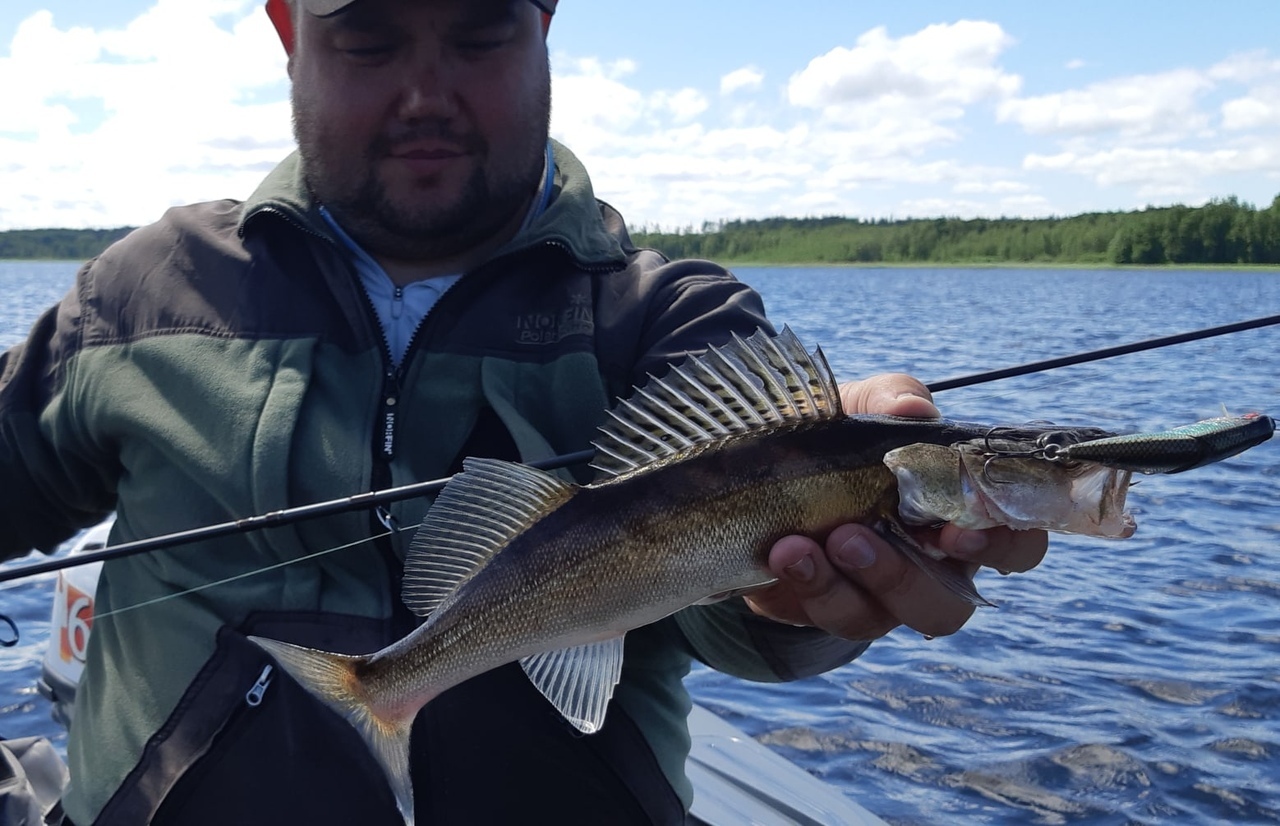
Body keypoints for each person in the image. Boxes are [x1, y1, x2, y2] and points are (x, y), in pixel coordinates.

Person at [0, 0, 1047, 823]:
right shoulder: (142, 294)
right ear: (286, 31)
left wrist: (803, 592)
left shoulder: (667, 321)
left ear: (543, 28)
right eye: (366, 38)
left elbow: (733, 612)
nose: (424, 92)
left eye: (477, 33)